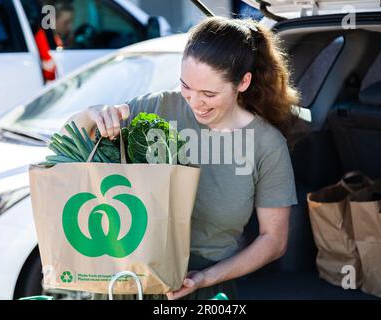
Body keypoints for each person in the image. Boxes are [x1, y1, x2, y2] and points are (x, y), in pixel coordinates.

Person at [62, 16, 301, 300]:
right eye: (185, 86)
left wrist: (205, 278)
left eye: (208, 93)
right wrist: (91, 115)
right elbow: (67, 146)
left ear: (243, 82)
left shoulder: (267, 144)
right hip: (129, 278)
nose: (194, 102)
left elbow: (273, 240)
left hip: (206, 288)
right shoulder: (158, 107)